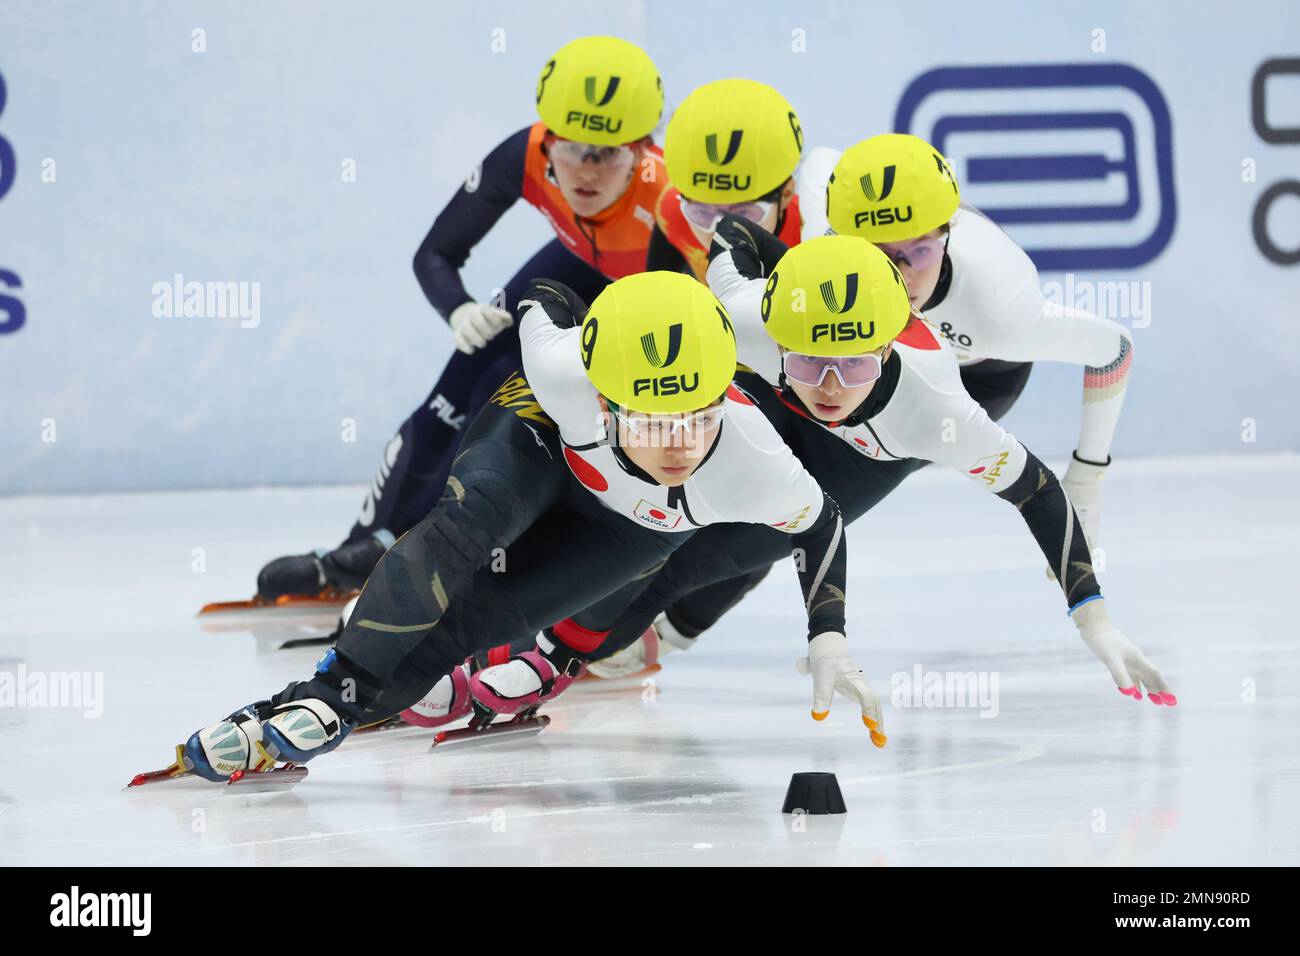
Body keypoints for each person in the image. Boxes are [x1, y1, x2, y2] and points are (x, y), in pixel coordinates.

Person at [173, 272, 879, 784]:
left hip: (636, 524)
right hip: (542, 437)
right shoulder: (562, 370)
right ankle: (336, 688)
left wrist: (828, 635)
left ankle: (319, 708)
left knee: (477, 621)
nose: (681, 443)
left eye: (700, 415)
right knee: (461, 533)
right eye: (654, 419)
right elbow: (548, 291)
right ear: (604, 397)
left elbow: (822, 525)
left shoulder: (754, 460)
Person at [593, 133, 1138, 676]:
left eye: (916, 252)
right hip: (830, 358)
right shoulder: (812, 263)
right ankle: (596, 631)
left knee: (756, 529)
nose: (895, 276)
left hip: (965, 381)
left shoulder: (997, 316)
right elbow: (776, 199)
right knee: (728, 484)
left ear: (946, 238)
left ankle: (663, 632)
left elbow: (1114, 351)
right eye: (873, 254)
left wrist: (1087, 482)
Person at [254, 35, 671, 602]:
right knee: (449, 401)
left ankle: (494, 573)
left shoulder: (671, 201)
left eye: (608, 153)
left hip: (644, 298)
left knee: (517, 421)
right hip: (573, 268)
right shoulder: (525, 154)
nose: (585, 172)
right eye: (570, 148)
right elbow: (435, 253)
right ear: (546, 138)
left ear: (643, 151)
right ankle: (363, 551)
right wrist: (458, 308)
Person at [646, 78, 808, 277]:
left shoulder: (809, 234)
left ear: (786, 195)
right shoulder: (672, 213)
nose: (721, 235)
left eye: (743, 214)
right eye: (702, 212)